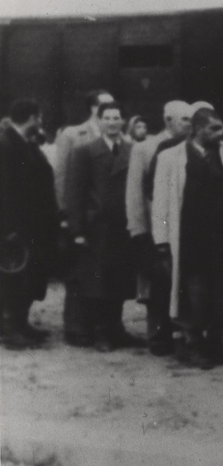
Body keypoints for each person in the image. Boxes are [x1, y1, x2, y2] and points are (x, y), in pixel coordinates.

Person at [152, 108, 223, 369]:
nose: (220, 133)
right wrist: (161, 242)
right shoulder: (170, 157)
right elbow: (160, 203)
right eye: (213, 128)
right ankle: (193, 344)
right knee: (193, 293)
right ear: (197, 130)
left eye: (221, 127)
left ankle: (216, 343)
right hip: (190, 239)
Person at [65, 101, 141, 351]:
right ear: (98, 121)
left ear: (123, 121)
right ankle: (100, 332)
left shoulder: (133, 150)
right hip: (97, 228)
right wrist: (77, 230)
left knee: (120, 280)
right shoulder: (85, 151)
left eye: (116, 118)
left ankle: (116, 328)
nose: (112, 122)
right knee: (98, 283)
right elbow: (75, 192)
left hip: (123, 227)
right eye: (106, 118)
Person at [126, 100, 193, 355]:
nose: (189, 124)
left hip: (184, 227)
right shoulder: (145, 148)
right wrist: (139, 230)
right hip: (156, 227)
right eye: (184, 119)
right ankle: (158, 336)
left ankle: (184, 333)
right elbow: (134, 192)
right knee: (156, 283)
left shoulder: (192, 146)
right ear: (168, 121)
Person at [55, 89, 115, 345]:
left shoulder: (116, 134)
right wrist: (65, 213)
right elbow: (62, 175)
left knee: (101, 274)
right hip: (80, 214)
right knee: (78, 272)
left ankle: (103, 325)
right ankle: (76, 327)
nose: (111, 110)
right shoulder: (73, 134)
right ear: (93, 108)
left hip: (104, 218)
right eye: (105, 105)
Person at [0, 99, 60, 349]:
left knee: (28, 276)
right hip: (14, 227)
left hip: (33, 225)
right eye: (39, 117)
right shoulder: (5, 144)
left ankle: (21, 323)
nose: (41, 121)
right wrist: (8, 229)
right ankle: (9, 329)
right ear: (33, 118)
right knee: (12, 277)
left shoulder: (26, 142)